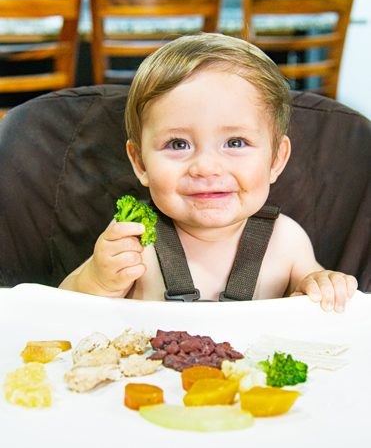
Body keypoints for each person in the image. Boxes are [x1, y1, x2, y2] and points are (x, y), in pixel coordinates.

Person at [59, 33, 357, 311]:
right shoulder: (134, 239)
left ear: (276, 160)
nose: (206, 167)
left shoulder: (287, 241)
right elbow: (59, 310)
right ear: (140, 163)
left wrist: (321, 285)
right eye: (178, 144)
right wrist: (97, 281)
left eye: (235, 142)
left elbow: (320, 301)